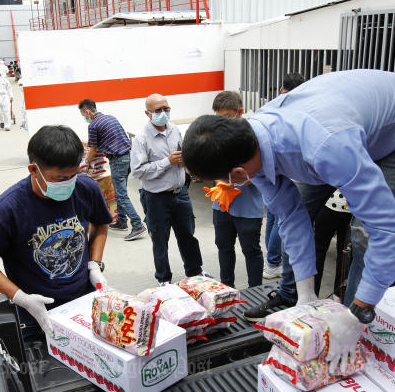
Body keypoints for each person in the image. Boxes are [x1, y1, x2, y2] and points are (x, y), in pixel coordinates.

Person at [182, 69, 395, 324]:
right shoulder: (247, 147)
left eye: (224, 180)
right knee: (295, 221)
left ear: (236, 173)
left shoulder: (325, 148)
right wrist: (306, 293)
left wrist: (358, 313)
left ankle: (356, 315)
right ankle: (297, 296)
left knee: (363, 234)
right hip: (343, 119)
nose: (226, 184)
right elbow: (290, 216)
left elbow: (389, 231)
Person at [0, 125, 112, 338]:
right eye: (60, 179)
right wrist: (20, 297)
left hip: (84, 300)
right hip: (37, 315)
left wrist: (94, 263)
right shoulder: (7, 210)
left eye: (74, 175)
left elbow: (101, 223)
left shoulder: (85, 188)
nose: (69, 183)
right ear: (34, 170)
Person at [131, 94, 205, 286]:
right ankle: (164, 279)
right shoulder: (141, 139)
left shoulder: (175, 130)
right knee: (160, 241)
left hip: (180, 193)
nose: (163, 113)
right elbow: (138, 171)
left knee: (188, 235)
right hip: (156, 198)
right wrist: (167, 162)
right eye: (158, 110)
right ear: (148, 113)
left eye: (166, 108)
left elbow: (183, 155)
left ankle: (195, 272)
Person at [210, 91, 264, 288]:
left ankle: (256, 292)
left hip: (248, 207)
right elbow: (212, 166)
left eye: (226, 117)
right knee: (224, 248)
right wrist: (219, 183)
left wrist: (232, 182)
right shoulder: (215, 136)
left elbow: (258, 170)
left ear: (239, 112)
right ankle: (227, 290)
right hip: (222, 206)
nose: (222, 123)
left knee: (251, 250)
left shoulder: (254, 135)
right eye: (218, 118)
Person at [78, 98, 146, 241]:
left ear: (87, 111)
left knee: (121, 195)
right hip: (128, 157)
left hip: (118, 160)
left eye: (84, 115)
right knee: (119, 191)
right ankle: (121, 221)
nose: (85, 118)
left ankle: (137, 225)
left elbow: (93, 149)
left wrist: (84, 164)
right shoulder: (111, 118)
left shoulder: (94, 125)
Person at [263, 72, 306, 280]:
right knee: (283, 218)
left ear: (282, 89)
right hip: (288, 171)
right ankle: (273, 261)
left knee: (273, 217)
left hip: (272, 170)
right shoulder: (296, 109)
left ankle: (271, 260)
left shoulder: (271, 107)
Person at [313, 190, 353, 298]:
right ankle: (338, 297)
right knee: (344, 255)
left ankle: (311, 295)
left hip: (329, 201)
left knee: (318, 251)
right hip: (352, 207)